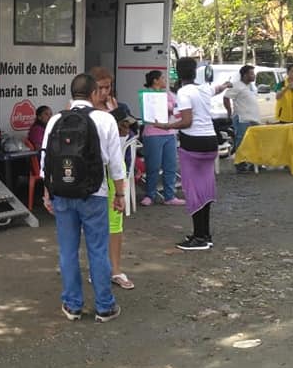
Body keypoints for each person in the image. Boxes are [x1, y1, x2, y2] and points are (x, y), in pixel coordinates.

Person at [41, 73, 126, 323]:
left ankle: (72, 305)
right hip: (94, 194)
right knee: (97, 250)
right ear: (93, 94)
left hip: (62, 194)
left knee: (67, 251)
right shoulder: (105, 119)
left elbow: (45, 162)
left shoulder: (55, 119)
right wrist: (119, 193)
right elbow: (116, 163)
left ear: (71, 95)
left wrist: (48, 193)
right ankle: (104, 307)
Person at [152, 57, 232, 250]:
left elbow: (186, 121)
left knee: (194, 190)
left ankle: (199, 238)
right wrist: (226, 84)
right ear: (195, 72)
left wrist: (165, 126)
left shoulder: (184, 92)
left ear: (178, 73)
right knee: (205, 188)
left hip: (192, 144)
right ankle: (206, 233)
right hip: (210, 142)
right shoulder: (203, 88)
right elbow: (217, 89)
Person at [139, 70, 185, 206]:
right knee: (152, 166)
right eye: (163, 78)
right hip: (152, 134)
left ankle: (169, 196)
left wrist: (170, 106)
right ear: (155, 80)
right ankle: (150, 195)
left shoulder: (169, 94)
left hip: (169, 132)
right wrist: (169, 106)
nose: (165, 80)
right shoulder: (147, 95)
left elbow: (177, 111)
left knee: (170, 165)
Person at [106, 108, 136, 290]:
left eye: (128, 124)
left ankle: (116, 270)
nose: (127, 128)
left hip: (117, 178)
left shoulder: (124, 135)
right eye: (123, 124)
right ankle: (102, 269)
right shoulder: (106, 133)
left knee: (116, 225)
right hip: (104, 179)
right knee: (99, 227)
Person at [223, 64, 259, 173]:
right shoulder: (236, 85)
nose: (254, 76)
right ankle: (240, 163)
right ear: (244, 75)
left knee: (254, 141)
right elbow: (226, 98)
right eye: (251, 73)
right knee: (242, 140)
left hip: (253, 119)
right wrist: (230, 112)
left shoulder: (250, 87)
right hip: (242, 118)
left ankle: (253, 163)